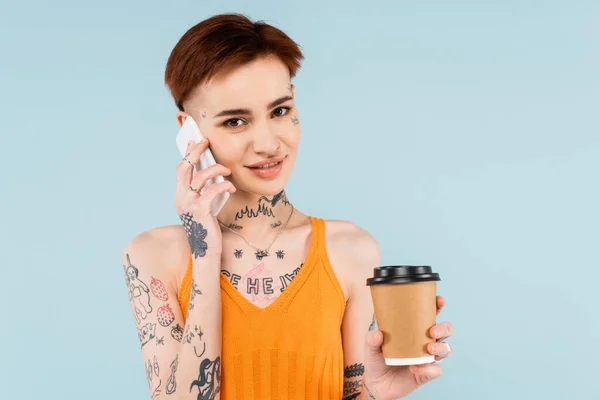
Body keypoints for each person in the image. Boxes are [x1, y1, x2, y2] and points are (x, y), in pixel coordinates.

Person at [122, 13, 454, 400]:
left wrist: (377, 392)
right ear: (189, 130)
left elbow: (350, 394)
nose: (268, 143)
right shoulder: (153, 255)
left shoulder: (350, 249)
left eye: (279, 111)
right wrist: (205, 251)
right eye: (235, 122)